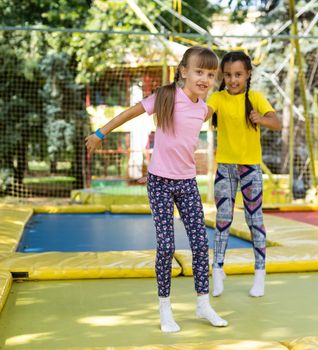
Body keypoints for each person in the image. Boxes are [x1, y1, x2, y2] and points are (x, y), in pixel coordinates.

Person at [86, 46, 228, 333]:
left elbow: (221, 106)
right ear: (184, 71)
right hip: (160, 182)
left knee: (201, 245)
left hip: (188, 183)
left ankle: (203, 303)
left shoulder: (203, 109)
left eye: (211, 75)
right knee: (166, 246)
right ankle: (165, 308)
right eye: (199, 71)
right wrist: (100, 133)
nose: (204, 79)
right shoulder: (165, 97)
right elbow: (130, 113)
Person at [206, 51, 282, 298]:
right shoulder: (217, 98)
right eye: (227, 75)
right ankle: (217, 268)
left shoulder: (256, 98)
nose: (232, 79)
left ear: (248, 74)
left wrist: (261, 118)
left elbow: (277, 122)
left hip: (250, 168)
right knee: (223, 219)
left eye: (238, 74)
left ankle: (260, 271)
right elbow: (204, 113)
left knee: (254, 220)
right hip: (225, 168)